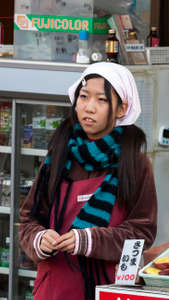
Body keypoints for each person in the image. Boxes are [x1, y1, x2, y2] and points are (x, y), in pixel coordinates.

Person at [19, 62, 158, 300]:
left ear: (121, 109)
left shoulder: (135, 163)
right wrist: (40, 240)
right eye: (83, 97)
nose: (89, 108)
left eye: (101, 100)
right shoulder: (58, 156)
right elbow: (29, 219)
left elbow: (141, 233)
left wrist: (90, 240)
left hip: (106, 289)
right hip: (54, 288)